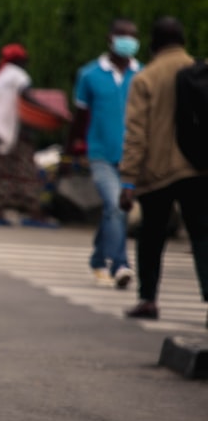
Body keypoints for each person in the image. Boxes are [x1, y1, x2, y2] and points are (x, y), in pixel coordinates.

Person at [119, 17, 208, 322]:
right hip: (197, 169)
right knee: (202, 236)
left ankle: (148, 300)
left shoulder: (145, 79)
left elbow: (136, 134)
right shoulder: (200, 70)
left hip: (157, 174)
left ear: (154, 43)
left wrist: (128, 180)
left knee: (152, 237)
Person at [68, 19, 141, 289]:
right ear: (110, 38)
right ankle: (120, 263)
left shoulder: (142, 75)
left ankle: (99, 257)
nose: (128, 41)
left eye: (133, 36)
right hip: (100, 153)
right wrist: (70, 152)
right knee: (115, 205)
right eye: (123, 36)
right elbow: (80, 117)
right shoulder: (90, 75)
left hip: (133, 157)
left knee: (113, 211)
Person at [0, 44, 57, 228]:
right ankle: (34, 214)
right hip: (17, 133)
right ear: (19, 60)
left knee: (0, 173)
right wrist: (50, 109)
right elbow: (27, 98)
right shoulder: (18, 77)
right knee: (27, 174)